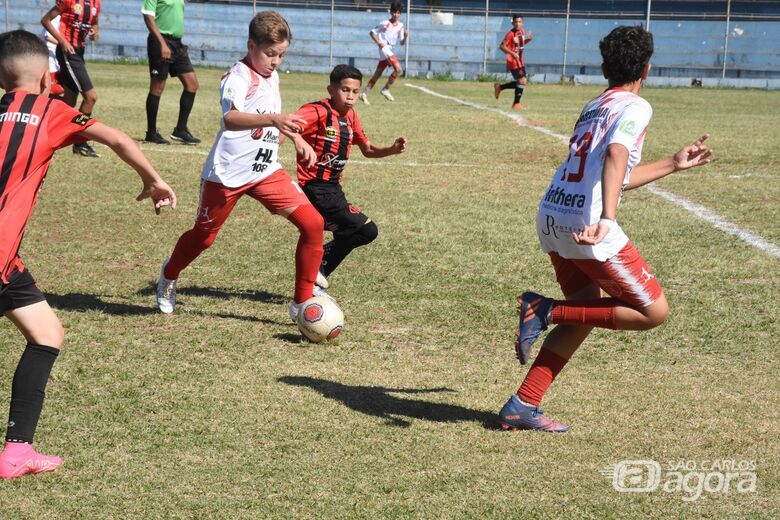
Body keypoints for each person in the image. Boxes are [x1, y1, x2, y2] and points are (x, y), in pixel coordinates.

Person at [498, 26, 712, 432]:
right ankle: (543, 309)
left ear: (603, 68)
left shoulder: (595, 105)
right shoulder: (636, 106)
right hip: (589, 224)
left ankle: (522, 404)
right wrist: (608, 219)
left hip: (553, 214)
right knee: (653, 312)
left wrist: (671, 162)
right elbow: (617, 154)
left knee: (586, 311)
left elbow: (614, 172)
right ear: (646, 69)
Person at [0, 30, 176, 478]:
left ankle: (17, 452)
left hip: (7, 262)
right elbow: (116, 138)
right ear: (46, 78)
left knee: (47, 333)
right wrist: (153, 180)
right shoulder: (50, 111)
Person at [155, 11, 326, 322]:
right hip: (228, 173)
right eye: (270, 53)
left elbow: (270, 115)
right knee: (204, 238)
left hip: (265, 170)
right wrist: (275, 120)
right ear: (251, 46)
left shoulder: (272, 76)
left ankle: (301, 303)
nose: (276, 61)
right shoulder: (237, 77)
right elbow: (231, 119)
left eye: (281, 55)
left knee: (313, 225)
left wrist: (296, 139)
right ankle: (169, 274)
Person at [294, 64, 407, 289]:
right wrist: (296, 140)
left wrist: (391, 150)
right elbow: (288, 125)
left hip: (333, 188)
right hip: (315, 187)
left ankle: (315, 270)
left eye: (355, 92)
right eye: (345, 90)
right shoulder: (317, 111)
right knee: (365, 229)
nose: (351, 97)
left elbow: (368, 149)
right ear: (331, 89)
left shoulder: (352, 116)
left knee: (358, 231)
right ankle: (316, 267)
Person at [41, 0, 102, 157]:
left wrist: (95, 31)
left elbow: (94, 22)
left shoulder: (96, 3)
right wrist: (62, 41)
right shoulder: (69, 1)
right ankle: (79, 141)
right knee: (90, 98)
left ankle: (39, 107)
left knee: (69, 100)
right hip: (69, 53)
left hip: (79, 53)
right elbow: (45, 20)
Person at [142, 0, 201, 145]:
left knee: (192, 85)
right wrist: (162, 44)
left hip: (178, 44)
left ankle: (180, 130)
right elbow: (148, 17)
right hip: (160, 42)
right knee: (157, 88)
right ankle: (151, 133)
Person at [358, 1, 408, 104]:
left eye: (398, 12)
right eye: (394, 12)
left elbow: (402, 43)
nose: (396, 14)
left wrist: (406, 36)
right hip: (384, 48)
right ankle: (385, 89)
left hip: (390, 50)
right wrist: (379, 43)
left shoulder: (401, 26)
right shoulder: (385, 23)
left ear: (400, 14)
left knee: (378, 74)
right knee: (398, 69)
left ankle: (364, 94)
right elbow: (372, 32)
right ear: (391, 12)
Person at [493, 15, 533, 110]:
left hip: (519, 60)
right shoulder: (510, 34)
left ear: (522, 23)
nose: (517, 24)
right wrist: (512, 53)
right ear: (512, 23)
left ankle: (500, 87)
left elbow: (520, 44)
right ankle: (516, 104)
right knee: (522, 81)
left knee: (522, 81)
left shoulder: (521, 31)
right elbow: (502, 46)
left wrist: (528, 39)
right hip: (513, 61)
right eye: (515, 22)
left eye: (519, 22)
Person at [39, 12, 65, 97]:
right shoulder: (55, 19)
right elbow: (48, 37)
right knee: (52, 88)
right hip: (49, 56)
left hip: (57, 56)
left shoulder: (64, 19)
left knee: (61, 87)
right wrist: (65, 44)